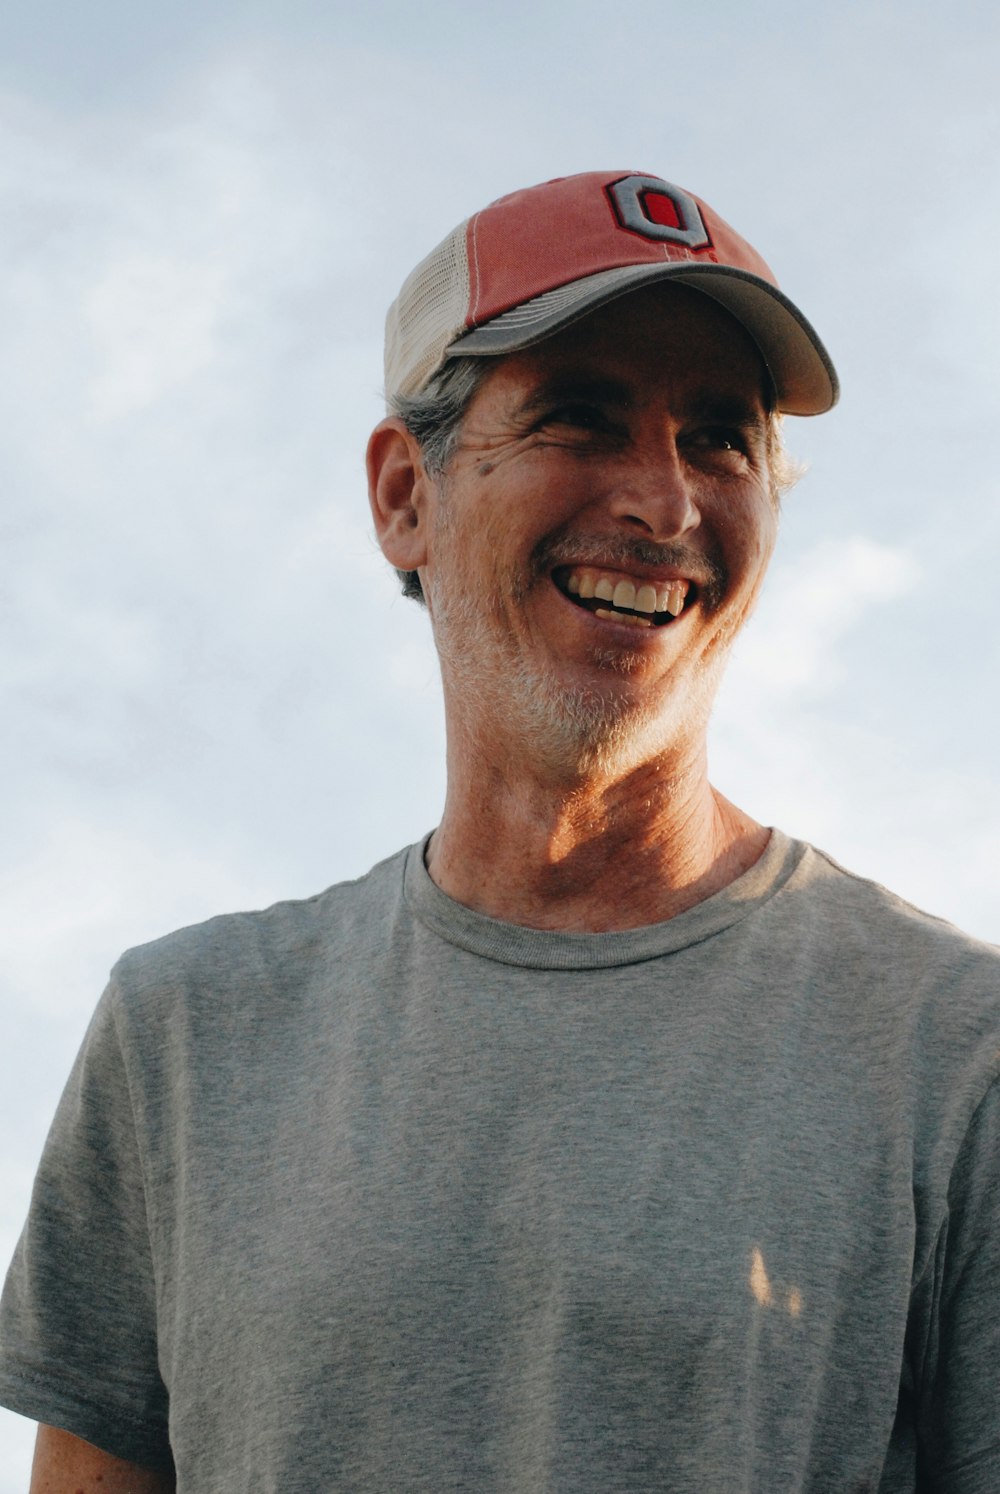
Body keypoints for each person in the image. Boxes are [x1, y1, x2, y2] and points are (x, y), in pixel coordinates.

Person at [2, 170, 998, 1493]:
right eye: (581, 417)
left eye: (720, 438)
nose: (665, 503)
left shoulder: (951, 1055)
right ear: (405, 494)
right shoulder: (183, 1037)